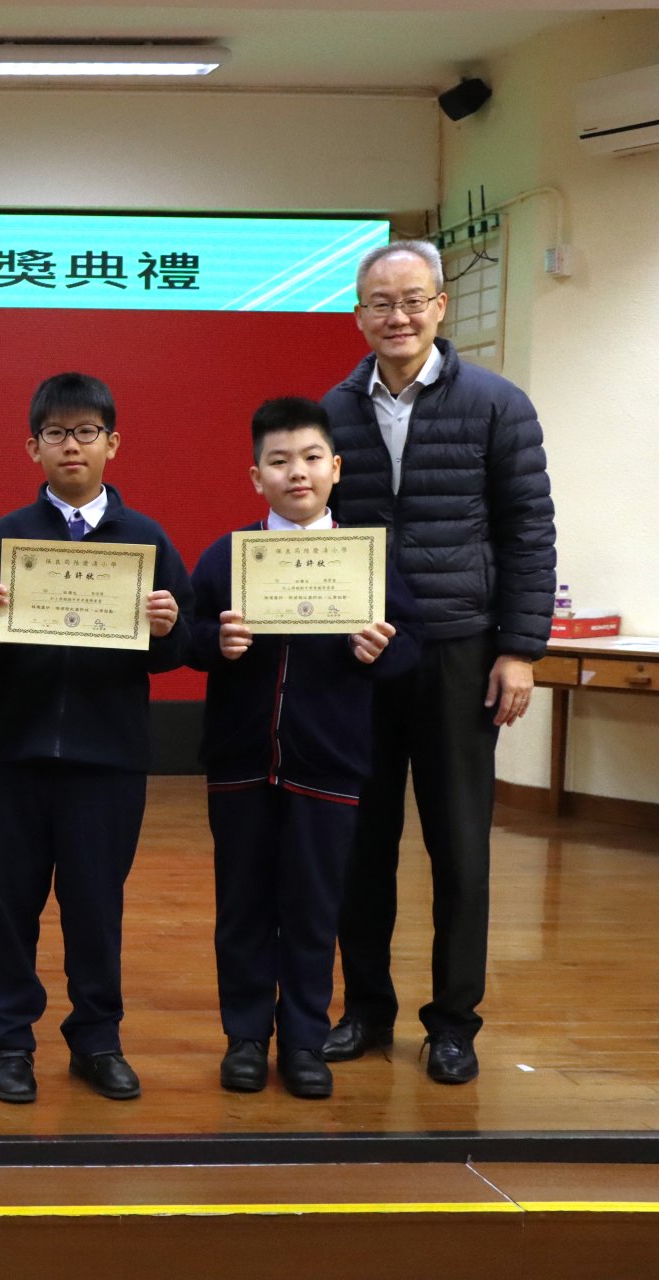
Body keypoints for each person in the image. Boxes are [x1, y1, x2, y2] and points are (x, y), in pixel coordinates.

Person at [321, 240, 556, 1084]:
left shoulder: (498, 404)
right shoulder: (332, 411)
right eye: (381, 303)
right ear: (359, 315)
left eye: (413, 300)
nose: (398, 316)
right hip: (365, 653)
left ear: (441, 306)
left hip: (462, 650)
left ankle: (453, 1022)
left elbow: (529, 531)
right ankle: (365, 1009)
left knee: (459, 845)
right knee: (361, 845)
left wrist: (520, 650)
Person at [0, 372, 191, 1104]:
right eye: (56, 433)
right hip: (16, 753)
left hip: (109, 758)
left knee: (95, 906)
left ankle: (97, 1040)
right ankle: (8, 1042)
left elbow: (179, 650)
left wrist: (168, 628)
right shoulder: (4, 538)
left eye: (86, 432)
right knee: (9, 905)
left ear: (113, 443)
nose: (72, 446)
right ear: (34, 448)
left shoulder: (146, 539)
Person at [187, 397, 422, 1099]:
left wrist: (382, 650)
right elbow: (186, 637)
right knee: (243, 908)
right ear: (255, 475)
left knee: (316, 910)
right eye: (280, 460)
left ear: (335, 468)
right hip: (240, 762)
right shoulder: (227, 555)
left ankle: (304, 1042)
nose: (298, 472)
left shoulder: (366, 557)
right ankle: (245, 1039)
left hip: (330, 763)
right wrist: (215, 643)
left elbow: (412, 642)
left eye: (312, 458)